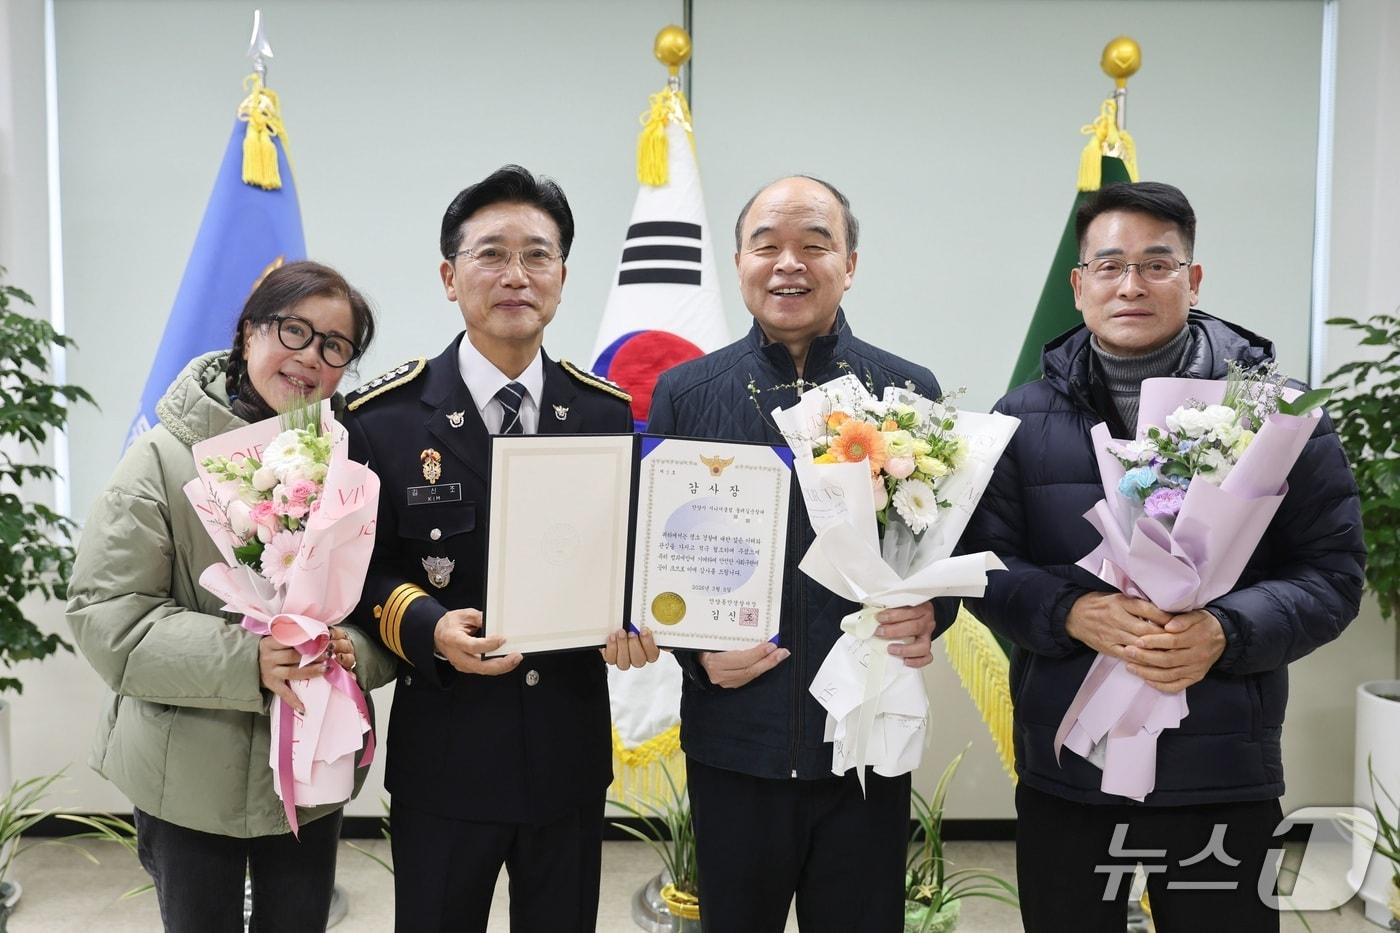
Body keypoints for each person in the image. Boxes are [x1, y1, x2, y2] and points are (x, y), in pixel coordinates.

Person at [961, 181, 1365, 932]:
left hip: (1220, 770)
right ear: (1078, 285)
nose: (1131, 285)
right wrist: (1070, 611)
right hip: (1070, 770)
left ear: (1194, 278)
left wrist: (1226, 630)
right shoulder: (1018, 418)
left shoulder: (1278, 413)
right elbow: (982, 569)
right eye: (1110, 266)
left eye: (1157, 264)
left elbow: (1334, 576)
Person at [344, 164, 659, 933]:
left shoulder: (605, 412)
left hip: (567, 748)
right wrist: (429, 627)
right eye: (491, 253)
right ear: (450, 276)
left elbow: (627, 555)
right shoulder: (382, 418)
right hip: (447, 752)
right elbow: (358, 570)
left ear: (562, 276)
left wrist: (640, 615)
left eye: (537, 255)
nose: (515, 274)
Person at [646, 175, 954, 932]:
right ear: (740, 261)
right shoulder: (686, 392)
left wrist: (933, 613)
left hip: (863, 739)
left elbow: (939, 549)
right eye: (768, 244)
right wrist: (694, 657)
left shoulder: (906, 390)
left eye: (815, 245)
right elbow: (655, 557)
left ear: (849, 264)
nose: (790, 262)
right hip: (734, 738)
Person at [67, 260, 394, 932]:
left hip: (309, 774)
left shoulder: (351, 468)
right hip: (185, 776)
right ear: (248, 333)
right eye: (294, 331)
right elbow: (109, 617)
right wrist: (249, 658)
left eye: (335, 346)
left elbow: (379, 607)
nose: (311, 359)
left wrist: (351, 648)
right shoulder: (160, 458)